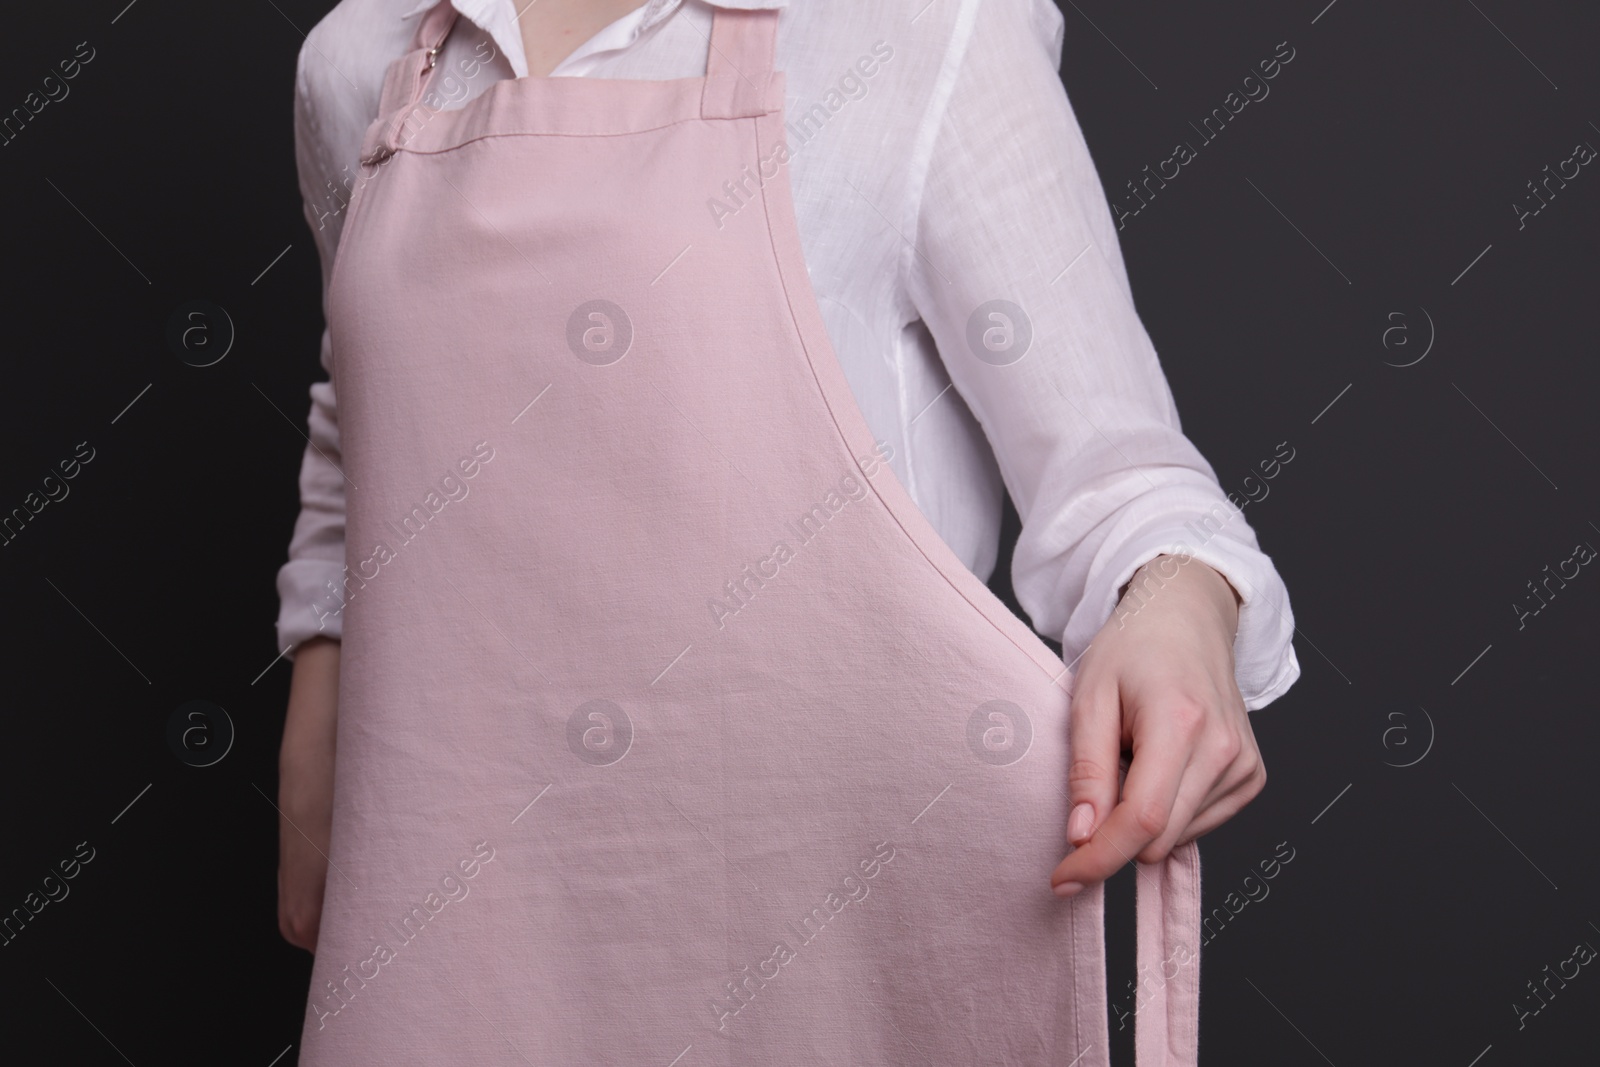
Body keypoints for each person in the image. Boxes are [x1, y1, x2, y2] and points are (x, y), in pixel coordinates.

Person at [274, 1, 1300, 1063]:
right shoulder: (359, 61)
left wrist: (1178, 599)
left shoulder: (920, 29)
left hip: (839, 925)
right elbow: (366, 397)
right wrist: (321, 699)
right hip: (462, 915)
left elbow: (1120, 476)